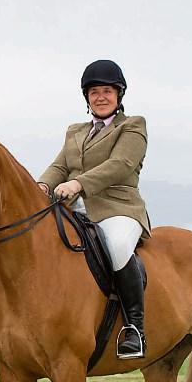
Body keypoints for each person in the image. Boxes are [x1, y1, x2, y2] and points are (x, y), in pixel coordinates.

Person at [37, 59, 150, 359]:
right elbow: (60, 165)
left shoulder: (133, 126)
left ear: (119, 95)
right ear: (86, 97)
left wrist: (77, 185)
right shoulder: (75, 131)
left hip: (118, 208)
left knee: (117, 245)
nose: (100, 97)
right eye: (94, 92)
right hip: (75, 211)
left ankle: (135, 329)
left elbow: (120, 165)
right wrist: (42, 186)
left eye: (107, 91)